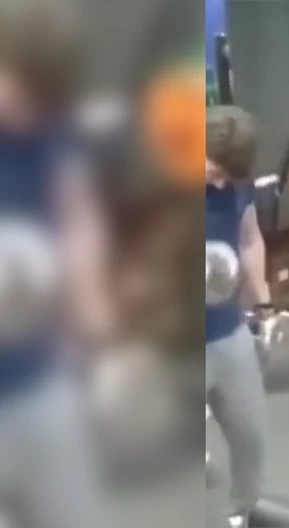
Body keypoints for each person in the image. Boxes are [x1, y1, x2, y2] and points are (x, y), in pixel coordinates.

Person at [0, 2, 110, 527]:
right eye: (19, 85)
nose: (29, 110)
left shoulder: (49, 135)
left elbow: (78, 217)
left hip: (41, 379)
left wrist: (88, 307)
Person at [205, 105, 270, 525]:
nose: (220, 182)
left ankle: (241, 514)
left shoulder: (237, 187)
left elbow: (249, 240)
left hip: (229, 331)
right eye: (213, 169)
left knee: (251, 435)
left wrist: (263, 300)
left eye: (228, 176)